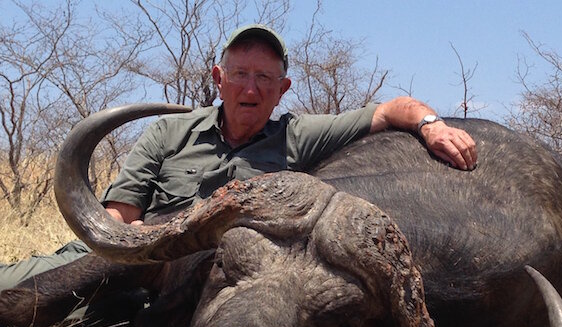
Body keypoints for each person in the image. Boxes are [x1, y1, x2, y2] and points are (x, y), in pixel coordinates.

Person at [0, 23, 477, 292]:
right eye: (240, 74)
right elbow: (116, 219)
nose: (251, 88)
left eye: (265, 79)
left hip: (212, 280)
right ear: (218, 77)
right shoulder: (169, 130)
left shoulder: (299, 135)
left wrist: (431, 125)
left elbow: (392, 109)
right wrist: (147, 242)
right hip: (134, 259)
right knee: (20, 293)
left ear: (282, 89)